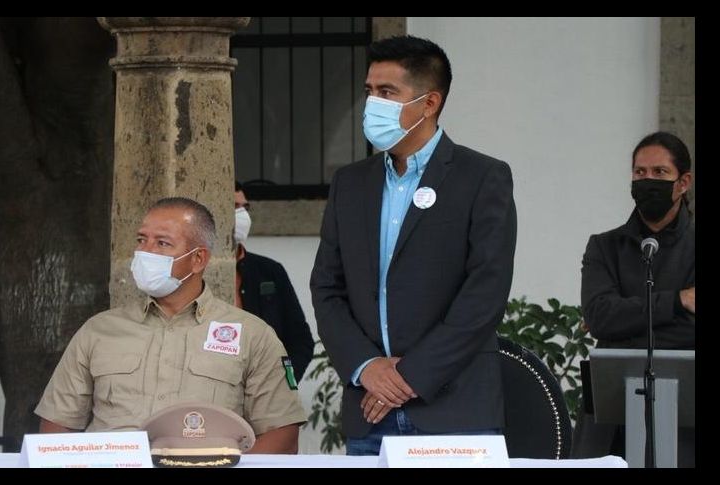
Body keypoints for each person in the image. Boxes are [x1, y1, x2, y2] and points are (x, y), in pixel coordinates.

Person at [309, 35, 517, 456]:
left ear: (429, 103)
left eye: (388, 92)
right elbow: (327, 288)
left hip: (454, 411)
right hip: (369, 413)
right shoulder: (350, 183)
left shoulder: (481, 177)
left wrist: (407, 378)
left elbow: (485, 293)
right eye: (369, 91)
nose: (373, 104)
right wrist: (367, 368)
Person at [35, 197, 306, 454]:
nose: (145, 252)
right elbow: (58, 424)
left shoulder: (252, 335)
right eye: (142, 240)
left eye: (162, 243)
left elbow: (282, 434)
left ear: (198, 259)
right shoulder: (98, 331)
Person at [576, 131, 694, 466]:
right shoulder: (604, 246)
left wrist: (623, 326)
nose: (648, 181)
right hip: (610, 424)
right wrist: (678, 302)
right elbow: (600, 316)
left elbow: (610, 324)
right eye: (640, 173)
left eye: (660, 173)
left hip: (686, 422)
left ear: (683, 182)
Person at [234, 181, 315, 383]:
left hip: (266, 395)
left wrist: (288, 382)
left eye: (245, 207)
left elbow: (300, 339)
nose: (242, 214)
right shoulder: (197, 272)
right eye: (234, 207)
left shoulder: (269, 271)